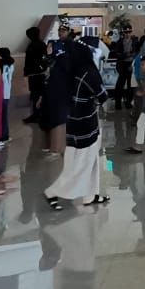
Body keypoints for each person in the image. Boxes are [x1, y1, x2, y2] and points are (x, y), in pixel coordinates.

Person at [45, 36, 109, 209]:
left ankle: (91, 195)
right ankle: (53, 192)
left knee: (88, 161)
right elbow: (103, 96)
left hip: (73, 120)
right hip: (86, 122)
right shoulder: (89, 72)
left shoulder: (71, 66)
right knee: (82, 164)